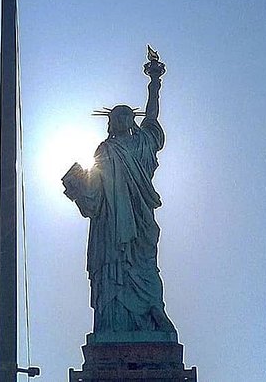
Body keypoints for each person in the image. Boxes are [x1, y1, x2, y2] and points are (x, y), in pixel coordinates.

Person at [62, 68, 177, 340]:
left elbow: (151, 117)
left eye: (125, 115)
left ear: (130, 121)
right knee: (114, 270)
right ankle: (111, 325)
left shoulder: (142, 145)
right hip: (111, 226)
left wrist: (154, 83)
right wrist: (77, 184)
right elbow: (93, 195)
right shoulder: (105, 151)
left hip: (139, 221)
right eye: (116, 116)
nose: (121, 119)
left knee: (145, 268)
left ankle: (153, 311)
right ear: (110, 123)